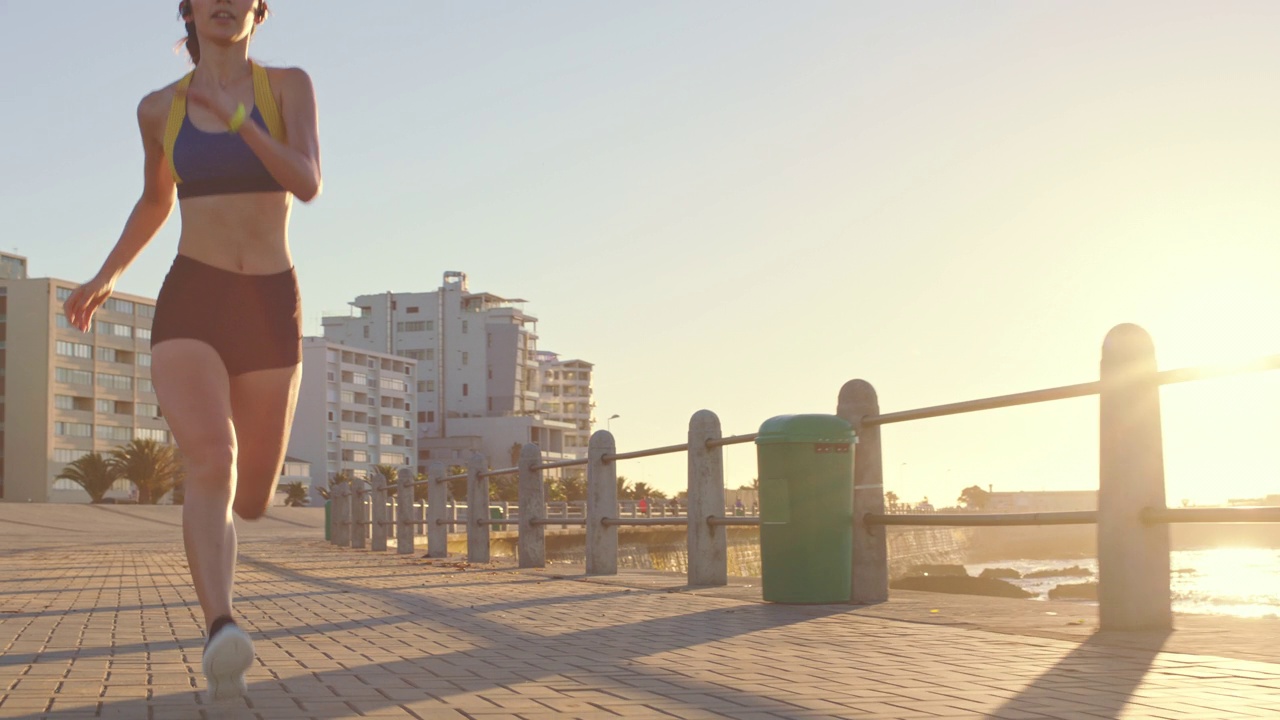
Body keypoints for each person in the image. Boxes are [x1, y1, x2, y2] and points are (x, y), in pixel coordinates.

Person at [62, 0, 321, 701]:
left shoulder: (287, 87)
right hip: (194, 296)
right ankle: (221, 628)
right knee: (212, 455)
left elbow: (306, 180)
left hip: (269, 305)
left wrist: (236, 120)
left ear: (259, 9)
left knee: (257, 495)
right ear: (187, 7)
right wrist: (105, 277)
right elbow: (154, 201)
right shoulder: (158, 111)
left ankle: (227, 588)